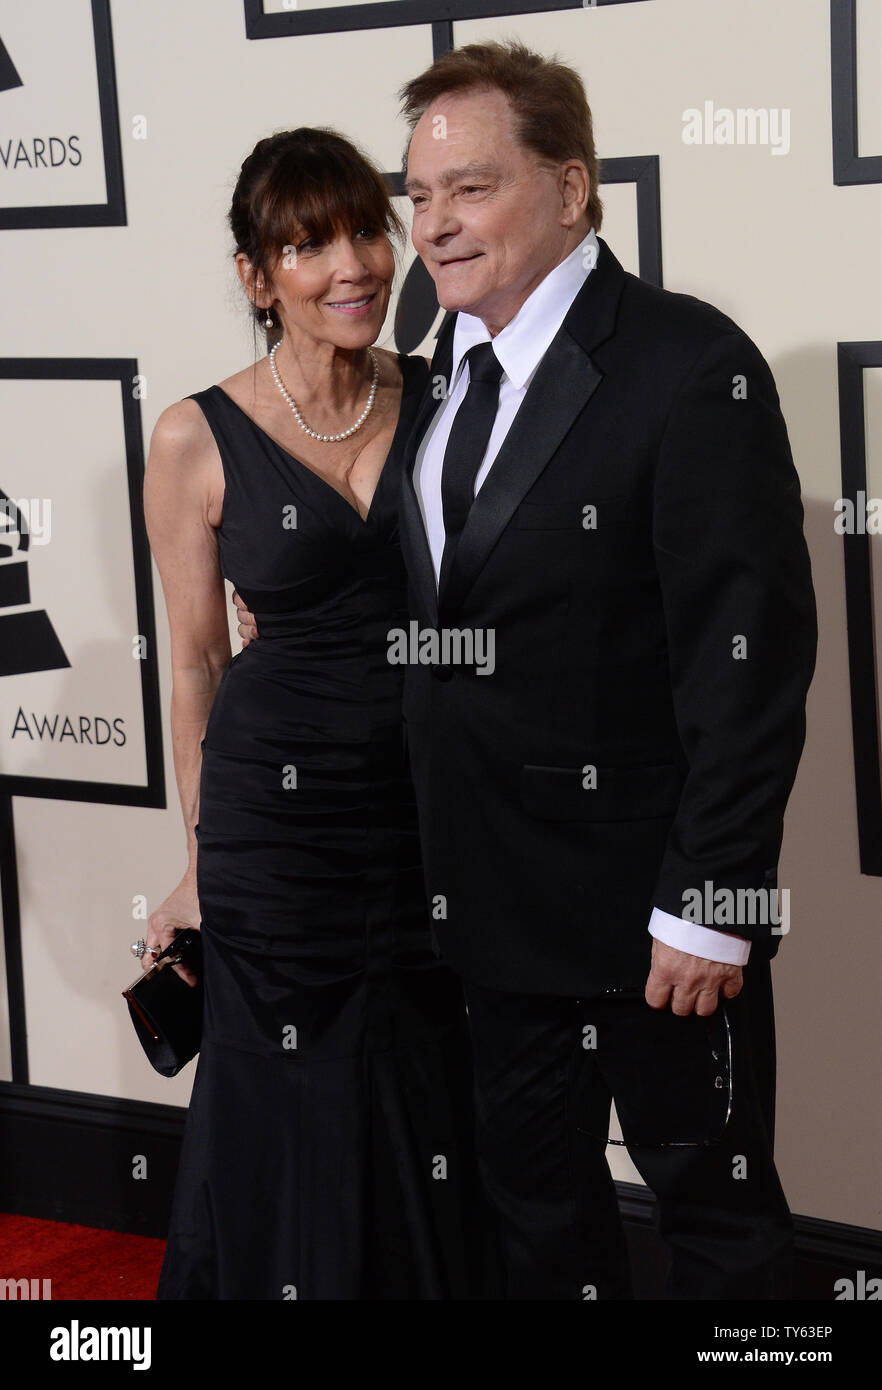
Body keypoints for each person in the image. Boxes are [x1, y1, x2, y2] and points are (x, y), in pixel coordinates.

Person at [237, 41, 818, 1300]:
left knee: (721, 1229)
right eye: (422, 196)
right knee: (537, 1222)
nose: (435, 227)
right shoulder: (438, 366)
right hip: (486, 906)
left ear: (571, 188)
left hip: (648, 909)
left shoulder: (684, 363)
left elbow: (752, 657)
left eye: (472, 188)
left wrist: (714, 898)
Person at [142, 127, 490, 1300]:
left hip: (427, 813)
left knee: (425, 1081)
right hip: (275, 827)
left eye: (362, 231)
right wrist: (195, 863)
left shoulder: (447, 395)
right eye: (308, 245)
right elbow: (194, 666)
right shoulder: (195, 435)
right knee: (285, 1088)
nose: (352, 265)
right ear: (257, 275)